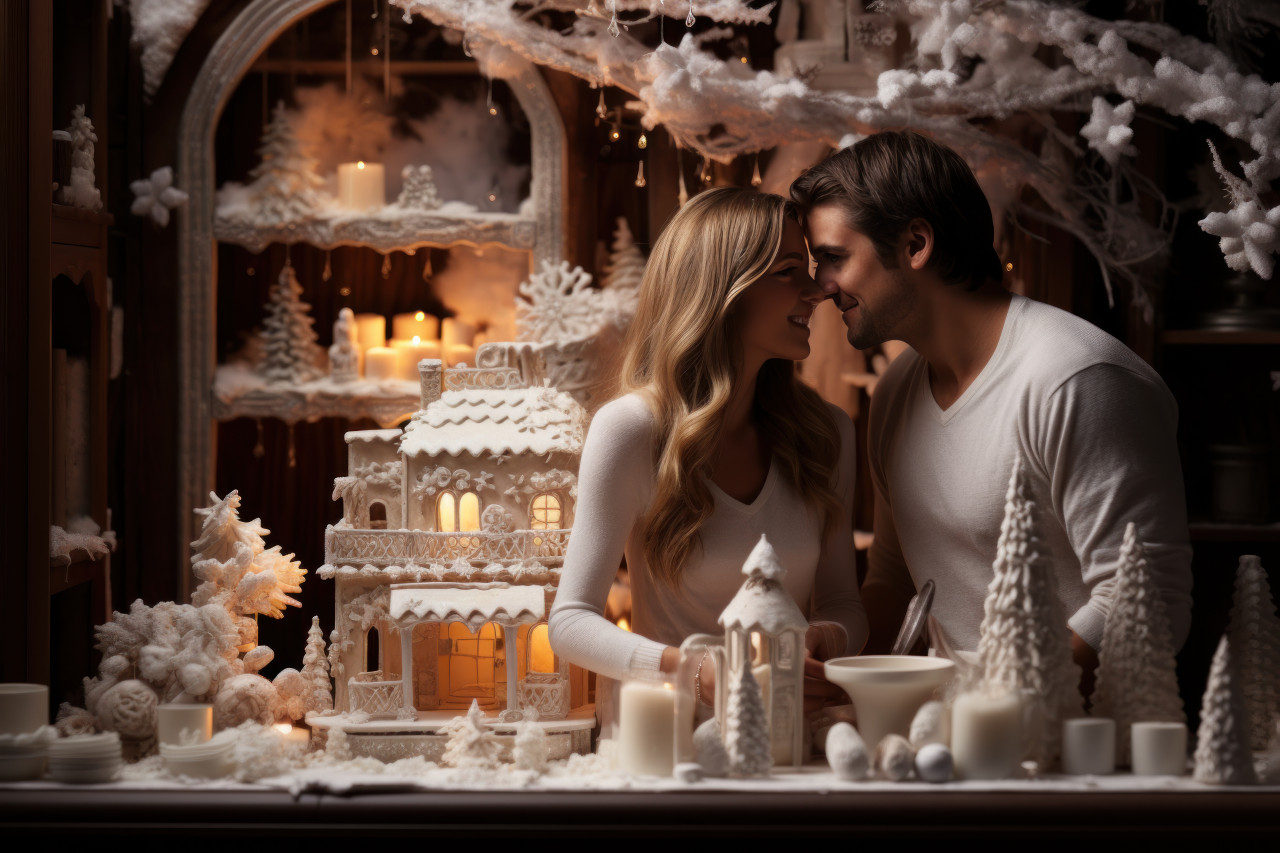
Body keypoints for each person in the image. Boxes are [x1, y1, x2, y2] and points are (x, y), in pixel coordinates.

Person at [790, 130, 1193, 687]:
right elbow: (892, 581)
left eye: (834, 258)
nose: (820, 285)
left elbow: (1148, 602)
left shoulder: (1075, 380)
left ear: (915, 245)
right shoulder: (894, 393)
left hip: (1084, 757)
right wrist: (842, 681)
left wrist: (997, 705)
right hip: (952, 753)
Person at [548, 187, 869, 714]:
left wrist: (824, 638)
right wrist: (693, 671)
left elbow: (842, 602)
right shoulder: (630, 430)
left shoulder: (826, 433)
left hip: (788, 747)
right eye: (789, 269)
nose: (818, 290)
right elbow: (571, 623)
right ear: (724, 289)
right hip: (667, 754)